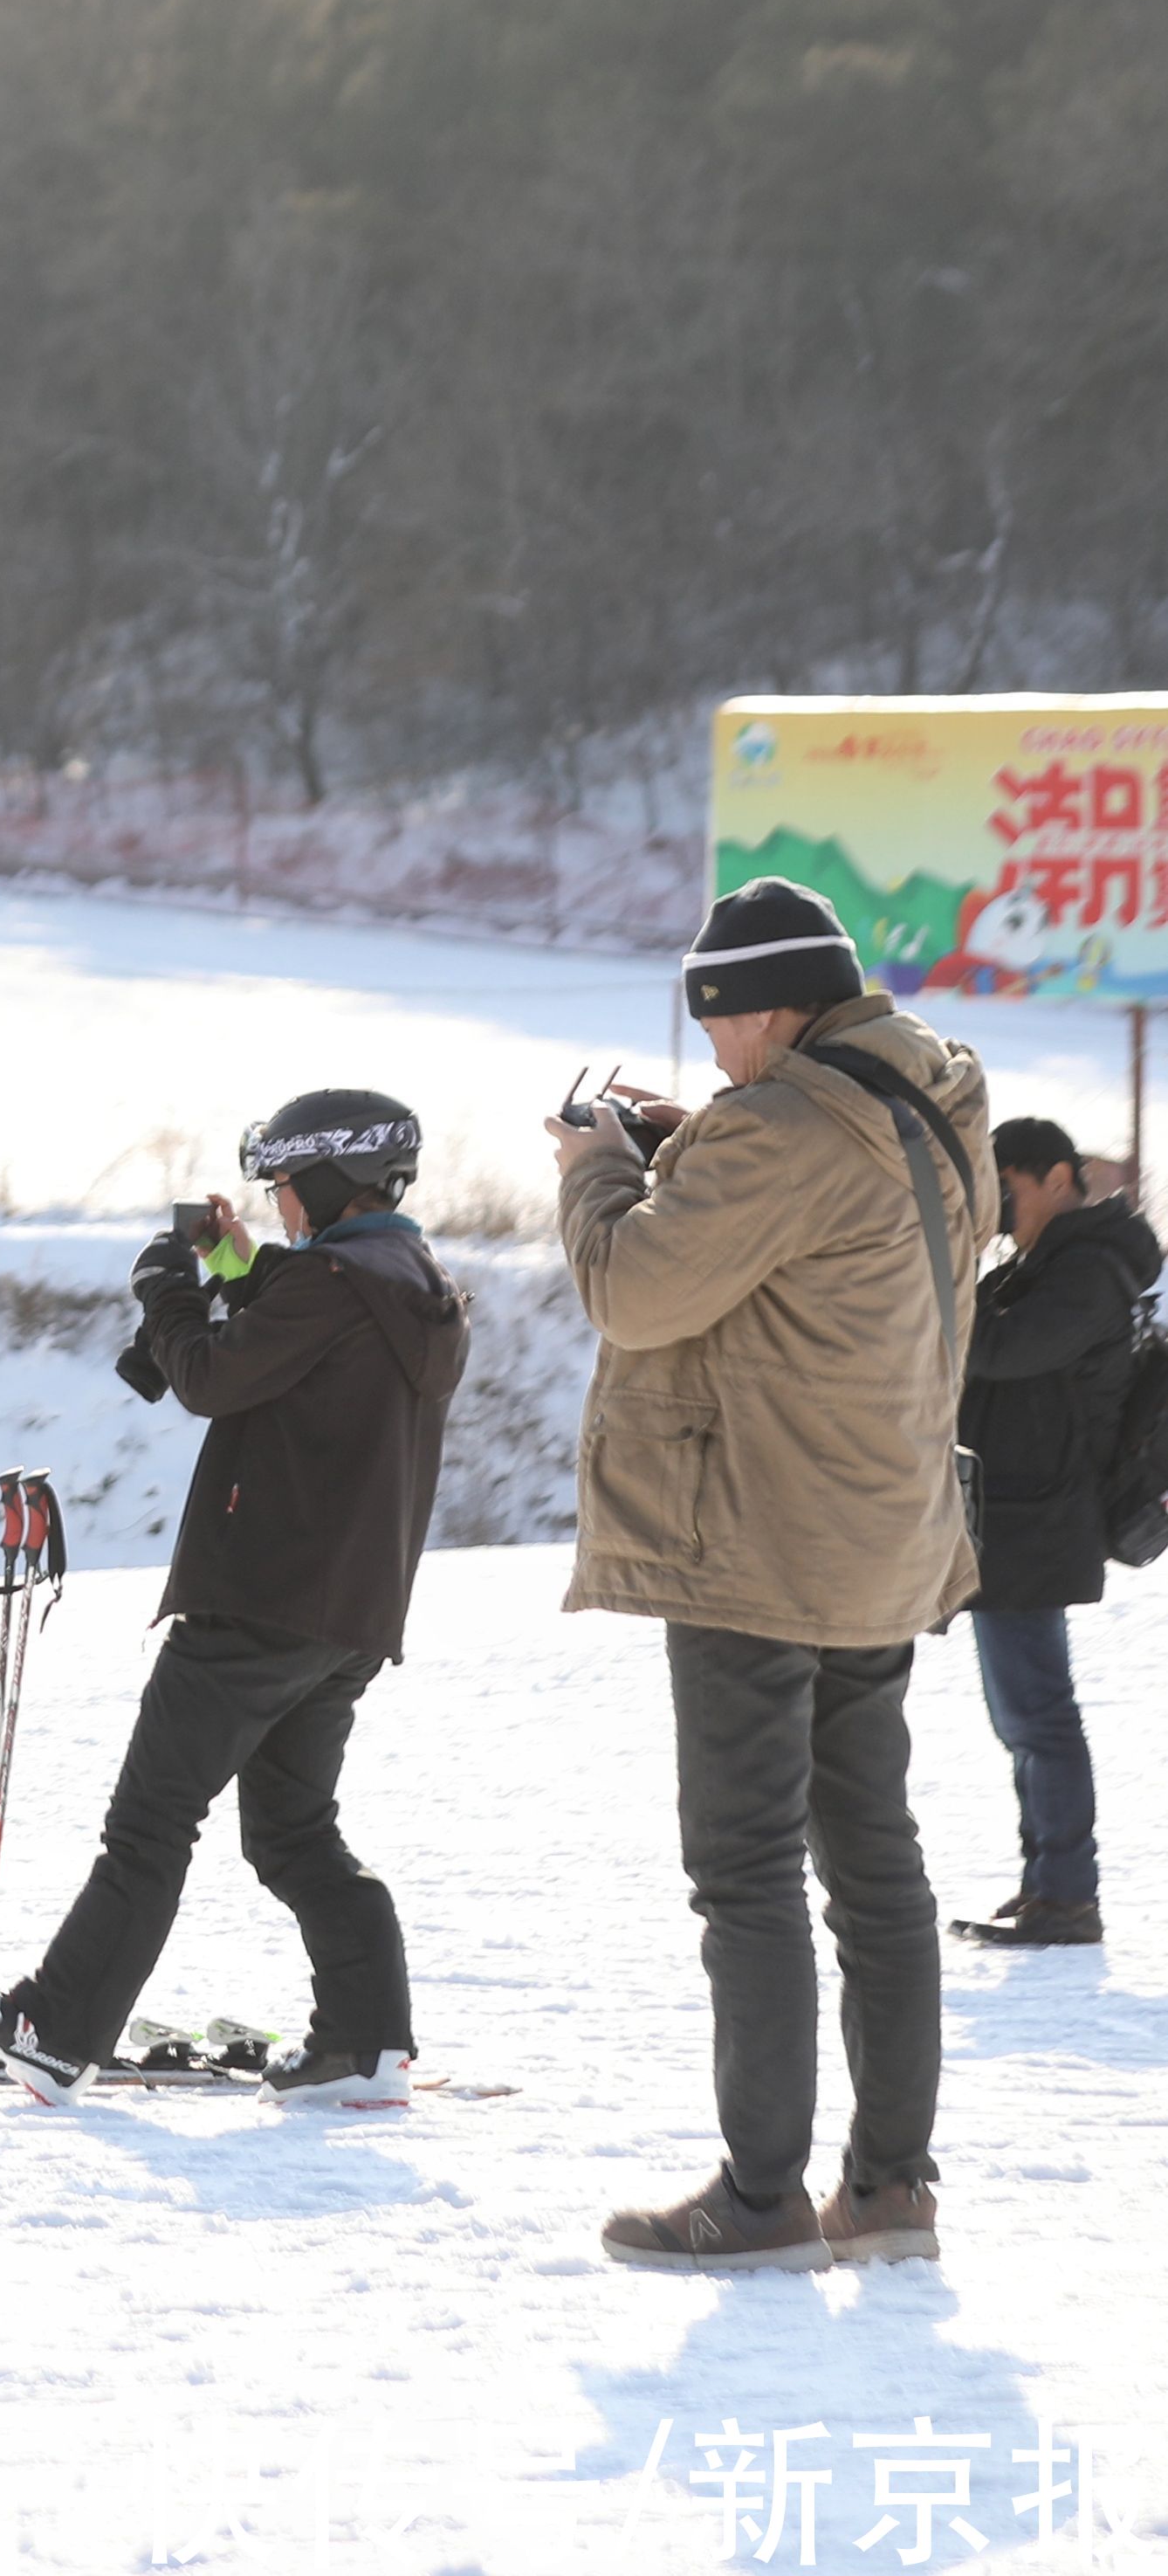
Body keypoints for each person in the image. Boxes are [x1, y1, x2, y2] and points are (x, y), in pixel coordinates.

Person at [564, 878, 988, 2273]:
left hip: (758, 1540)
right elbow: (816, 1210)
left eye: (722, 1029)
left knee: (742, 1867)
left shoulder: (781, 1123)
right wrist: (710, 1146)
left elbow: (632, 1288)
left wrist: (599, 1165)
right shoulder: (929, 1088)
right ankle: (888, 2188)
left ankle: (756, 2199)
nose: (715, 1061)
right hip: (888, 1531)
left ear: (768, 1006)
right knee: (875, 1863)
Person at [0, 1091, 469, 2107]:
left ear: (321, 1181)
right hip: (347, 1616)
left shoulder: (332, 1286)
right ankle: (366, 2045)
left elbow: (214, 1376)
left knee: (151, 1823)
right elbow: (307, 1317)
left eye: (282, 1192)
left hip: (256, 1602)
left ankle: (54, 2030)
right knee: (294, 1833)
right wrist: (236, 1268)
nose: (278, 1211)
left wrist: (167, 1294)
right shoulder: (414, 1285)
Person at [951, 1116, 1148, 1949]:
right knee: (1023, 1716)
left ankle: (1067, 1896)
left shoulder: (1090, 1272)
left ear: (1059, 1179)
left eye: (1010, 1187)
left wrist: (941, 1271)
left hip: (1042, 1516)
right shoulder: (1042, 1263)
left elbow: (996, 1349)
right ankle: (1047, 1885)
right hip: (1018, 1512)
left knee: (1039, 1715)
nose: (998, 1205)